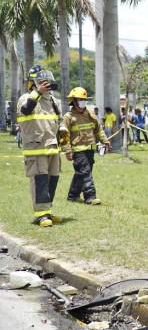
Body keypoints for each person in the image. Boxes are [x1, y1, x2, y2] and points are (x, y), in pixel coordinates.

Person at [17, 65, 67, 227]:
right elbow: (25, 111)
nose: (45, 84)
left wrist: (63, 129)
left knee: (52, 180)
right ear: (32, 83)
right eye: (40, 81)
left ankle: (47, 212)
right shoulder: (26, 98)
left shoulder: (52, 100)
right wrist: (38, 93)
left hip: (52, 147)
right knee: (40, 181)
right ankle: (41, 215)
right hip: (36, 148)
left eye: (46, 81)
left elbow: (58, 120)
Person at [62, 87, 111, 205]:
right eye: (80, 99)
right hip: (77, 151)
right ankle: (90, 197)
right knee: (85, 172)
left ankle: (73, 196)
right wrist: (67, 151)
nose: (82, 102)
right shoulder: (68, 117)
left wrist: (105, 141)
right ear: (73, 101)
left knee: (81, 173)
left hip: (90, 149)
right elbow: (64, 135)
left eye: (84, 99)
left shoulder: (90, 114)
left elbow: (99, 130)